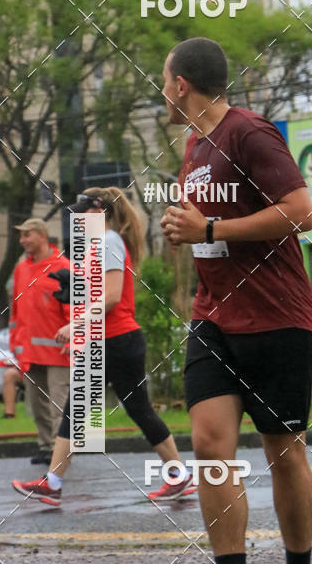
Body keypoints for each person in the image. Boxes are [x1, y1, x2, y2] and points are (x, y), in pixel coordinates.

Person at [160, 37, 312, 564]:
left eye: (163, 81)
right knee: (208, 444)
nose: (162, 91)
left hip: (277, 317)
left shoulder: (248, 132)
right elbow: (208, 232)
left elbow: (301, 211)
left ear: (181, 85)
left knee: (284, 452)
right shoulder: (194, 146)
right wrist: (190, 232)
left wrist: (210, 225)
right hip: (214, 319)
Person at [11, 187, 196, 508]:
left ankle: (178, 477)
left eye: (82, 213)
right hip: (106, 341)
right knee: (86, 411)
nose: (78, 219)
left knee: (120, 411)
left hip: (117, 341)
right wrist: (73, 294)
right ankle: (53, 483)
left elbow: (111, 297)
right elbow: (97, 294)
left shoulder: (110, 242)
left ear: (98, 213)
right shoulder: (99, 244)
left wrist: (75, 325)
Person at [9, 218, 70, 464]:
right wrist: (16, 343)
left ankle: (60, 453)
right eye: (22, 235)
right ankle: (46, 447)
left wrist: (74, 340)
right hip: (31, 353)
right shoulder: (21, 269)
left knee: (59, 406)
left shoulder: (63, 267)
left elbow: (73, 308)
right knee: (36, 404)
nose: (22, 240)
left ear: (42, 236)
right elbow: (15, 311)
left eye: (27, 235)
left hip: (59, 353)